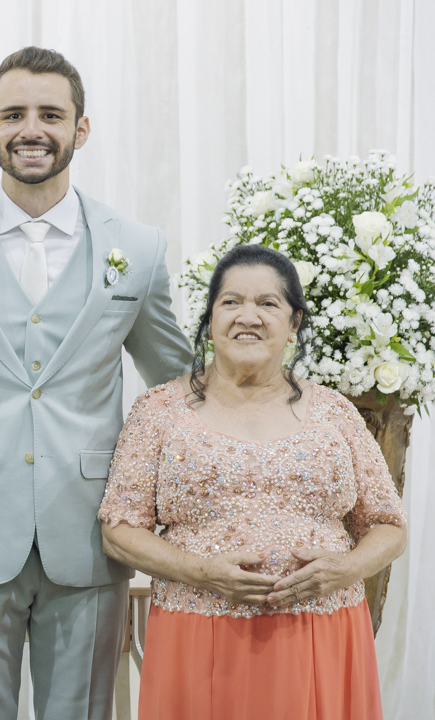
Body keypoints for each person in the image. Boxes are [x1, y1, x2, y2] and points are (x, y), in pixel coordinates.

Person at [0, 47, 192, 720]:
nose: (33, 129)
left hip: (87, 537)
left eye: (51, 114)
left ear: (81, 129)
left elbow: (176, 386)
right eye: (15, 114)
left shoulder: (136, 249)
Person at [98, 243, 407, 719]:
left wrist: (346, 569)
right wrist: (199, 571)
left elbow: (389, 525)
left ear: (294, 322)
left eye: (268, 303)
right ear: (210, 319)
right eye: (231, 302)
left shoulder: (336, 413)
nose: (249, 316)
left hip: (324, 630)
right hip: (196, 632)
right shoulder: (159, 411)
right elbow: (119, 531)